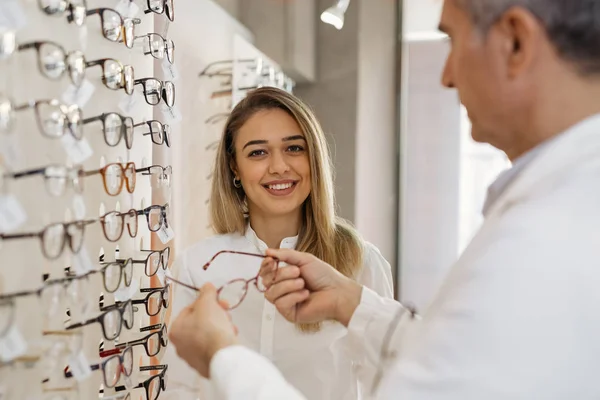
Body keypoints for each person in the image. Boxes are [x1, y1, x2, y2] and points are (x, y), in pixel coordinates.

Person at [168, 0, 600, 398]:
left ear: (516, 42)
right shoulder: (553, 211)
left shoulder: (547, 237)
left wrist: (222, 356)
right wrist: (348, 301)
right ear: (234, 169)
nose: (446, 75)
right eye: (258, 152)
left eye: (451, 40)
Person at [162, 87, 394, 399]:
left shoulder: (361, 262)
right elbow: (180, 387)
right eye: (258, 152)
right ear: (235, 167)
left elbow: (387, 382)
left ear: (313, 157)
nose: (279, 167)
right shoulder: (196, 266)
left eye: (294, 148)